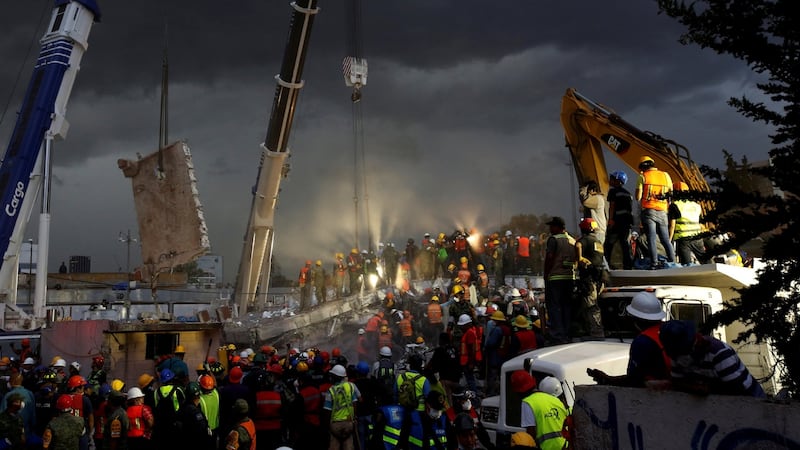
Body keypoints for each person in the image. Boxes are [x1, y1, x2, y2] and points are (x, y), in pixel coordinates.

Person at [657, 320, 766, 397]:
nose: (677, 358)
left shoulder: (720, 353)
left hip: (749, 400)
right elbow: (678, 381)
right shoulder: (676, 355)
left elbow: (736, 388)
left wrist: (706, 389)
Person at [587, 291, 671, 387]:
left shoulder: (643, 342)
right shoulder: (670, 331)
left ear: (635, 318)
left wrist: (609, 380)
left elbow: (634, 381)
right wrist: (609, 379)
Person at [635, 155, 676, 268]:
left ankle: (654, 263)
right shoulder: (666, 175)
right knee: (665, 239)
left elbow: (638, 197)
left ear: (643, 166)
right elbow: (671, 194)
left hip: (649, 211)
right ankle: (673, 262)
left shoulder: (642, 177)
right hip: (663, 211)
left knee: (651, 238)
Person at [513, 371, 568, 450]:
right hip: (565, 447)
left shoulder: (528, 402)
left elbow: (531, 433)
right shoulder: (555, 400)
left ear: (518, 391)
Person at [543, 216, 576, 344]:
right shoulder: (572, 240)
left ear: (558, 227)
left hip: (555, 278)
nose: (550, 229)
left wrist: (546, 274)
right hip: (569, 277)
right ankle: (567, 333)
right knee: (567, 306)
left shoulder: (553, 240)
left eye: (552, 226)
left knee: (554, 306)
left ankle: (557, 334)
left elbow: (550, 258)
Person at [574, 217, 606, 338]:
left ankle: (596, 332)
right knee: (591, 304)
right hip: (599, 277)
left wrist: (579, 258)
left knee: (591, 305)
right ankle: (589, 329)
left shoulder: (585, 240)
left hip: (589, 279)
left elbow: (577, 245)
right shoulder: (598, 241)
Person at [669, 181, 707, 265]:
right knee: (705, 261)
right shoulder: (696, 205)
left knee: (686, 265)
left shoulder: (674, 205)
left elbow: (672, 226)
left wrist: (669, 240)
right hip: (697, 237)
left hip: (683, 239)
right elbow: (700, 224)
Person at [324, 364, 360, 450]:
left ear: (334, 377)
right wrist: (354, 417)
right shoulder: (350, 387)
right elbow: (355, 403)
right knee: (349, 445)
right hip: (349, 423)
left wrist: (326, 425)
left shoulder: (331, 391)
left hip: (336, 425)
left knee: (334, 446)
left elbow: (327, 410)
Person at [605, 170, 634, 269]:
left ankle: (606, 264)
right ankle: (628, 265)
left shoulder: (613, 191)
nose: (610, 180)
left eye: (612, 179)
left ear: (618, 180)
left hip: (616, 222)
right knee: (625, 245)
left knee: (609, 244)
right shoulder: (628, 194)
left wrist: (610, 220)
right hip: (627, 223)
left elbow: (612, 206)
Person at [579, 180, 608, 244]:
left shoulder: (597, 198)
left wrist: (583, 190)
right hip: (595, 232)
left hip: (597, 232)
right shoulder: (599, 198)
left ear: (592, 190)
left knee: (596, 253)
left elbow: (585, 201)